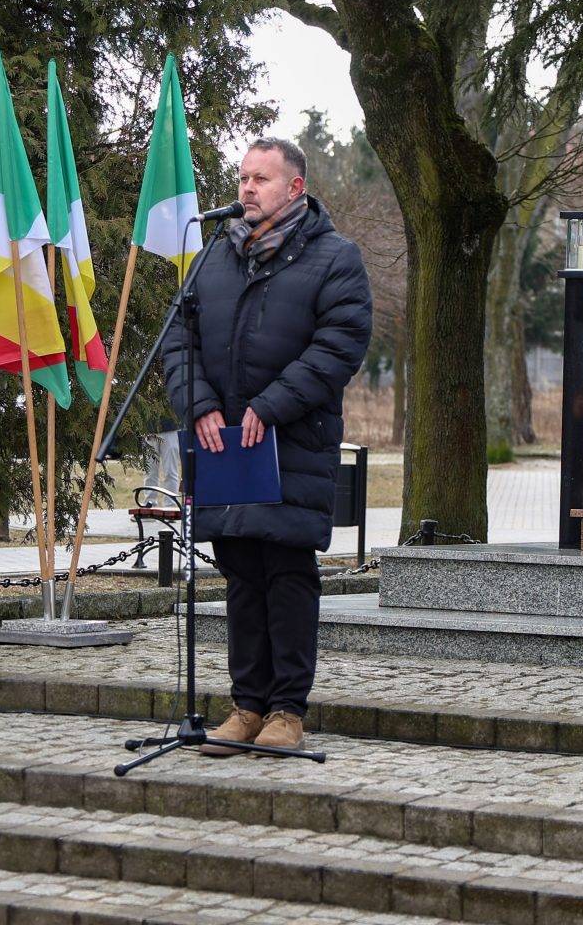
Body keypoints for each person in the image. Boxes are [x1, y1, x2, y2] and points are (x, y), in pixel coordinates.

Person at [159, 136, 371, 753]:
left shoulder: (335, 258)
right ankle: (246, 706)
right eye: (243, 178)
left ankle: (286, 713)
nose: (247, 189)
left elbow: (340, 344)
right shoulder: (213, 257)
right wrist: (198, 405)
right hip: (224, 445)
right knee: (241, 574)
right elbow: (177, 340)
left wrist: (270, 406)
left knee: (286, 573)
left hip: (290, 443)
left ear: (295, 187)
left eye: (261, 179)